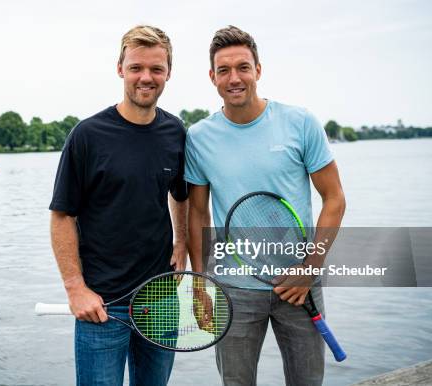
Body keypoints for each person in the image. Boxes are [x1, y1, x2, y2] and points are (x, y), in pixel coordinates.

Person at [185, 26, 346, 386]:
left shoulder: (300, 122)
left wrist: (311, 266)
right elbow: (197, 213)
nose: (234, 78)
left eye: (243, 67)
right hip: (233, 289)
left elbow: (334, 198)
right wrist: (200, 283)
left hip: (299, 283)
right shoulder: (198, 138)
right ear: (212, 77)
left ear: (258, 70)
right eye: (223, 70)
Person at [49, 25, 189, 386]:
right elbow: (62, 216)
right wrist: (74, 288)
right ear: (120, 69)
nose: (146, 77)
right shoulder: (88, 135)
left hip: (160, 300)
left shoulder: (175, 132)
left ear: (168, 73)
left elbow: (181, 194)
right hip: (102, 304)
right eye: (136, 67)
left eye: (156, 69)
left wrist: (182, 242)